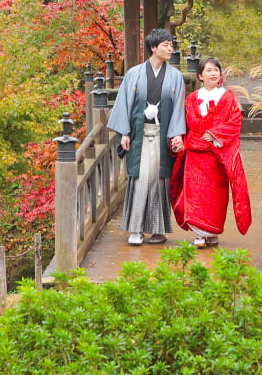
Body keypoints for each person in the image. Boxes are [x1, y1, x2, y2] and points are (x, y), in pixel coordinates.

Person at [107, 28, 187, 245]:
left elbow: (179, 107)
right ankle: (136, 229)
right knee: (140, 178)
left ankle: (158, 230)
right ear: (153, 47)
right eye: (165, 45)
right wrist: (124, 131)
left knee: (160, 180)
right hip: (140, 134)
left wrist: (177, 135)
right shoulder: (134, 74)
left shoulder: (176, 77)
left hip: (162, 135)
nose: (170, 48)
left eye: (171, 45)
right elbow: (124, 103)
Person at [170, 57, 251, 247]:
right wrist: (179, 139)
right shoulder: (191, 99)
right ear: (200, 76)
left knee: (216, 197)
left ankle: (212, 233)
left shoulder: (228, 97)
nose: (213, 73)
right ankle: (200, 235)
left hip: (216, 156)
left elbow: (235, 122)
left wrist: (214, 134)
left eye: (216, 70)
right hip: (195, 156)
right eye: (208, 70)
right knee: (196, 195)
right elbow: (184, 124)